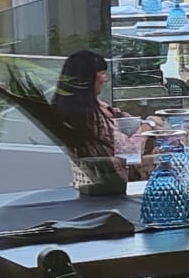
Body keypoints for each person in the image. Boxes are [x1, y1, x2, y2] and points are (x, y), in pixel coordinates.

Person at [49, 48, 151, 180]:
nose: (106, 79)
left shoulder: (67, 106)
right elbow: (129, 150)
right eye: (102, 73)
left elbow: (114, 114)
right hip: (114, 178)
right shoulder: (89, 117)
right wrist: (147, 127)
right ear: (88, 78)